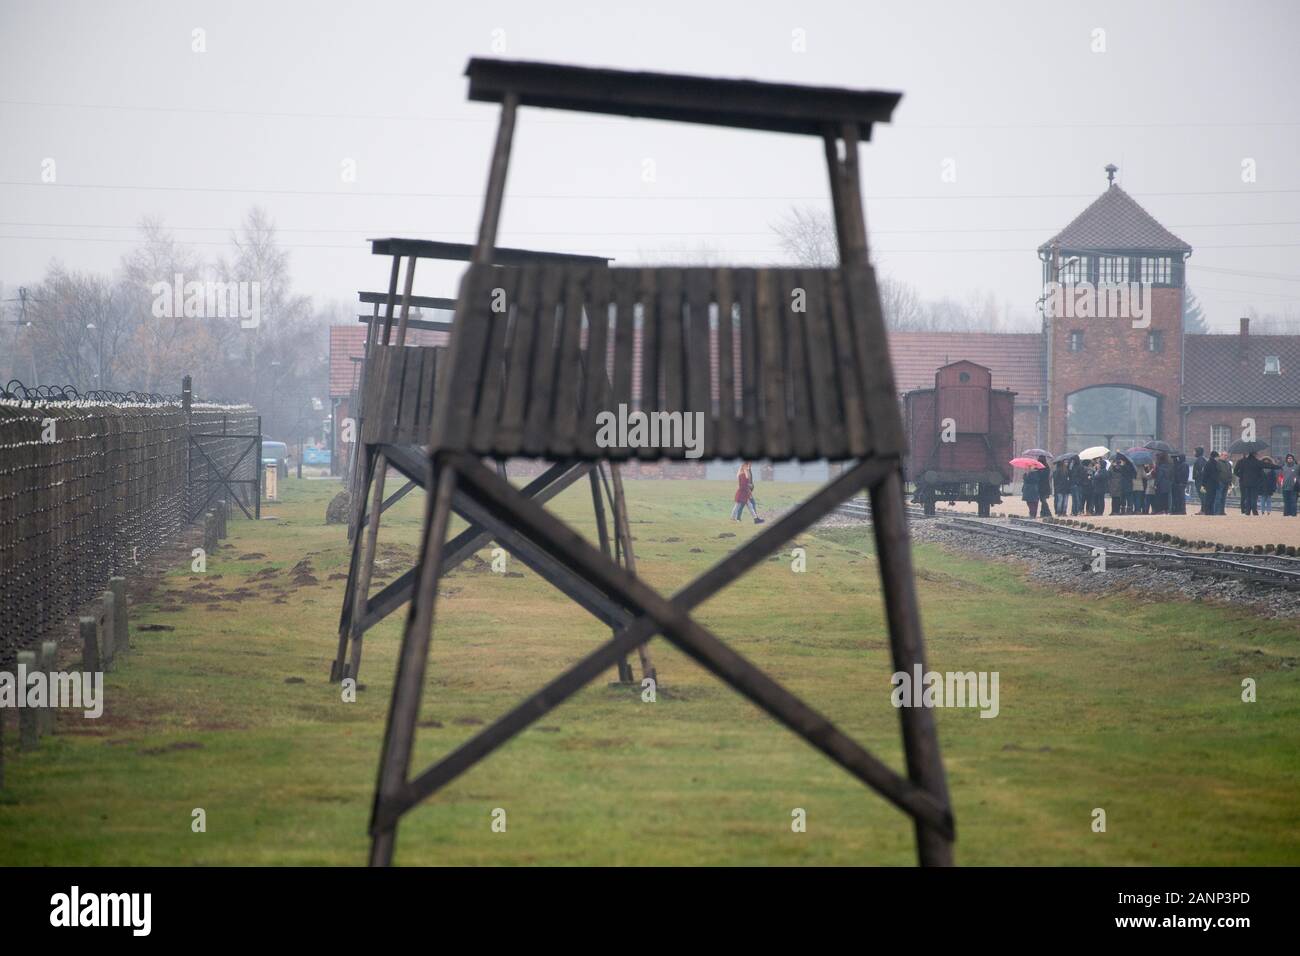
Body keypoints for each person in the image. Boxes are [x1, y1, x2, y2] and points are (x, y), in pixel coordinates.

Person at [1235, 451, 1264, 515]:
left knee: (1247, 497)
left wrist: (1242, 476)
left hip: (1245, 482)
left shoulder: (1242, 461)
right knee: (1252, 497)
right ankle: (1252, 510)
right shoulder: (1256, 462)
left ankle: (1247, 511)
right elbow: (1261, 473)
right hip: (1251, 482)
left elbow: (1235, 471)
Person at [1200, 450, 1221, 516]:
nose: (1218, 458)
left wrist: (1203, 484)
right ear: (1215, 457)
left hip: (1210, 484)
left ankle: (1209, 511)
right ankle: (1209, 511)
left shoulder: (1209, 463)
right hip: (1211, 484)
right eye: (1218, 457)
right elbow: (1206, 475)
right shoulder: (1212, 464)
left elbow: (1205, 475)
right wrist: (1203, 484)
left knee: (1210, 498)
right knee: (1210, 498)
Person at [1192, 447, 1209, 514]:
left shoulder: (1199, 460)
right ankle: (1203, 509)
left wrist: (1196, 476)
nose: (1193, 453)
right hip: (1202, 480)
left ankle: (1204, 510)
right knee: (1203, 495)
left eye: (1194, 451)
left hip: (1200, 481)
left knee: (1202, 496)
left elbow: (1201, 471)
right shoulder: (1203, 459)